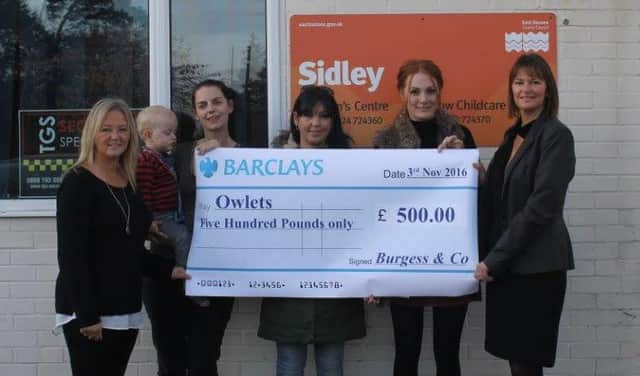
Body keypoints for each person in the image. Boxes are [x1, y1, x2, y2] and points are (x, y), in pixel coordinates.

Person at [54, 98, 187, 376]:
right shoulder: (78, 182)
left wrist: (168, 270)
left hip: (124, 308)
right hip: (90, 313)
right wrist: (88, 316)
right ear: (93, 133)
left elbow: (128, 248)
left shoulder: (129, 181)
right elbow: (71, 256)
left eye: (122, 129)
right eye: (106, 129)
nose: (115, 136)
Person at [372, 59, 477, 376]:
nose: (423, 98)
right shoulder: (385, 140)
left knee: (448, 353)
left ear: (440, 92)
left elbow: (476, 198)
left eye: (430, 90)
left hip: (452, 259)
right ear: (402, 93)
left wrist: (463, 163)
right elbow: (377, 209)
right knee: (406, 352)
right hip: (403, 260)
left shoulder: (461, 135)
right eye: (415, 90)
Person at [474, 53, 575, 376]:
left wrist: (494, 259)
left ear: (548, 89)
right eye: (519, 82)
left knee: (526, 364)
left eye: (535, 81)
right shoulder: (512, 136)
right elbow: (503, 196)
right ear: (510, 89)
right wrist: (474, 174)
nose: (526, 89)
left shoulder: (556, 135)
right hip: (509, 267)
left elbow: (542, 205)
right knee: (515, 360)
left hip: (536, 268)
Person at [258, 85, 365, 376]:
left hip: (336, 290)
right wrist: (211, 149)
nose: (315, 123)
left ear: (333, 121)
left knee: (332, 368)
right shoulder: (271, 165)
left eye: (323, 116)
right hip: (287, 291)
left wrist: (372, 274)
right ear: (295, 118)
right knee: (289, 367)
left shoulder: (352, 165)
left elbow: (365, 224)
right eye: (307, 115)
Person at [172, 79, 239, 376]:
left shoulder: (248, 156)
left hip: (221, 268)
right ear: (196, 114)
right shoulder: (182, 153)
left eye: (216, 102)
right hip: (175, 267)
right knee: (171, 358)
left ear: (230, 106)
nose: (210, 110)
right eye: (203, 105)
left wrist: (224, 158)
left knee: (205, 355)